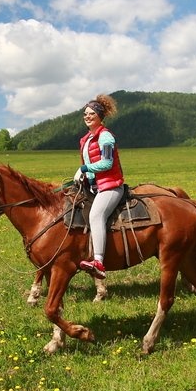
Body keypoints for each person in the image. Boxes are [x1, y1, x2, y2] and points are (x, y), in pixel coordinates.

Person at [74, 94, 124, 279]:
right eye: (85, 113)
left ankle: (99, 262)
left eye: (91, 113)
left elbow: (107, 163)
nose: (87, 116)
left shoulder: (106, 137)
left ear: (100, 116)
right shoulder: (86, 139)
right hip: (95, 186)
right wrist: (84, 176)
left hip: (110, 186)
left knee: (96, 216)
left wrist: (85, 168)